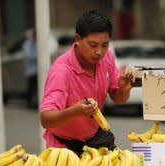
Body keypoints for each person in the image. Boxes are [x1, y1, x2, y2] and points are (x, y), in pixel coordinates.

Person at [39, 10, 134, 152]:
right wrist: (74, 112)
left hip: (95, 138)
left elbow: (118, 99)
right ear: (77, 39)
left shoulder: (107, 57)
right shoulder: (61, 71)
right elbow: (46, 119)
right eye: (93, 45)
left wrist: (125, 89)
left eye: (105, 45)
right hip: (64, 147)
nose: (99, 52)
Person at [22, 29, 38, 109]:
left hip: (38, 71)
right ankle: (29, 103)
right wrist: (39, 57)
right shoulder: (27, 44)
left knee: (37, 88)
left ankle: (36, 103)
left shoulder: (38, 43)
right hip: (31, 70)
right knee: (31, 88)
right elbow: (28, 56)